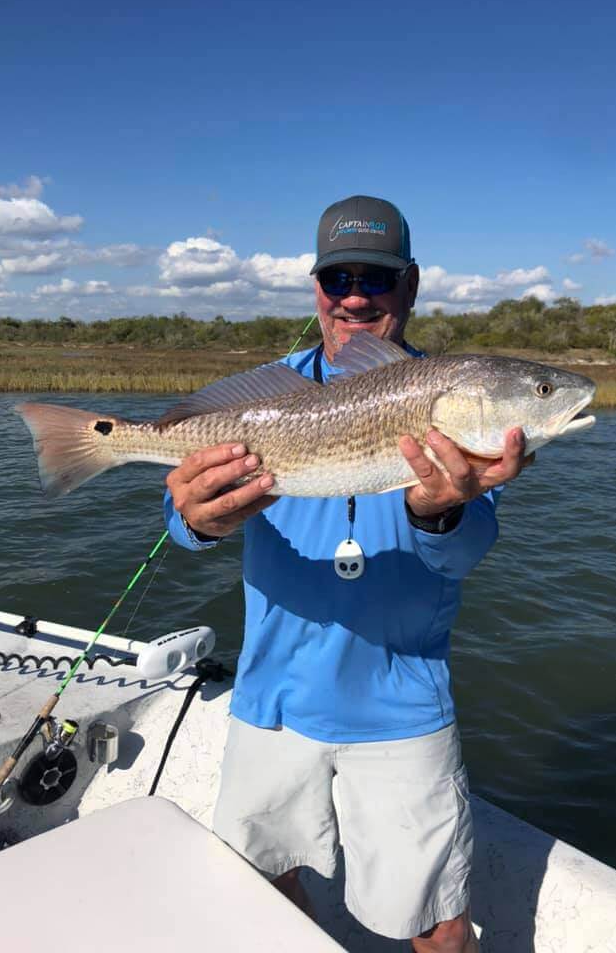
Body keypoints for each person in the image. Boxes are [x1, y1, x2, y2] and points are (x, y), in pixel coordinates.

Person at [164, 195, 529, 953]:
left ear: (413, 286)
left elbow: (467, 552)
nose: (356, 296)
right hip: (270, 696)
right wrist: (199, 517)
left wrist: (439, 512)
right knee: (258, 882)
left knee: (439, 922)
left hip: (401, 708)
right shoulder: (264, 391)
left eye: (377, 278)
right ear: (316, 288)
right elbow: (181, 521)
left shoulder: (454, 396)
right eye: (338, 279)